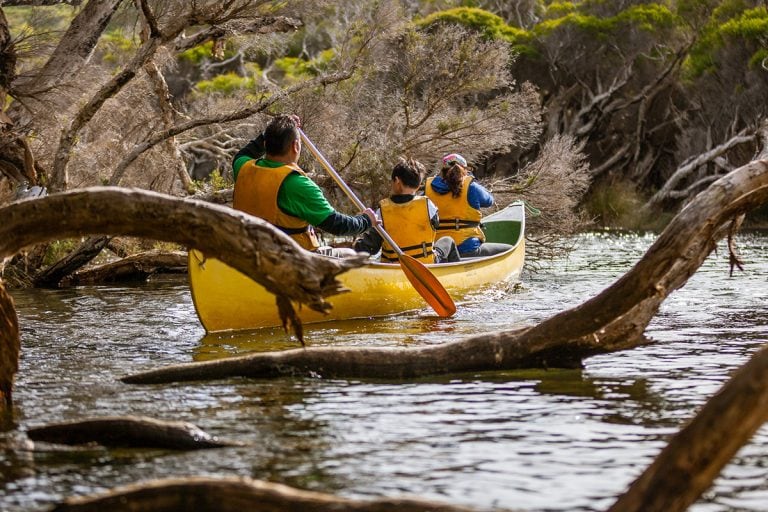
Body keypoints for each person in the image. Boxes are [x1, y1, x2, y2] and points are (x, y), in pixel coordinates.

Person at [232, 115, 377, 256]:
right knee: (350, 254)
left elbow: (244, 153)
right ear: (295, 146)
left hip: (248, 254)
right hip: (291, 262)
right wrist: (365, 221)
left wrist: (269, 133)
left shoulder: (242, 167)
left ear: (265, 144)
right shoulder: (298, 184)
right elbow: (337, 225)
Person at [354, 158, 460, 264]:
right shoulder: (428, 205)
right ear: (418, 186)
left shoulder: (381, 212)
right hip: (426, 266)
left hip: (395, 268)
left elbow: (370, 247)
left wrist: (352, 248)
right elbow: (435, 225)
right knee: (447, 240)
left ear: (397, 181)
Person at [425, 153, 511, 257]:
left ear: (442, 170)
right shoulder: (470, 186)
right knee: (509, 250)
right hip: (467, 248)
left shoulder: (428, 188)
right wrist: (472, 180)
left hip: (439, 249)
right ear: (464, 169)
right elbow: (489, 201)